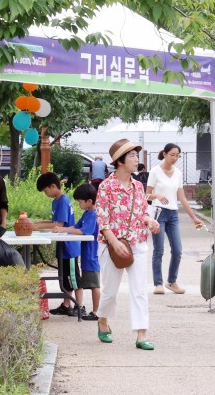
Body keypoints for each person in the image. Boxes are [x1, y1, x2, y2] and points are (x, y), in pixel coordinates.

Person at [95, 139, 161, 350]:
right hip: (112, 246)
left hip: (138, 242)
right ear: (120, 161)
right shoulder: (106, 187)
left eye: (136, 155)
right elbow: (102, 220)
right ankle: (103, 320)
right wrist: (114, 243)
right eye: (131, 156)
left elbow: (142, 212)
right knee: (110, 291)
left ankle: (141, 334)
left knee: (139, 289)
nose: (136, 160)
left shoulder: (138, 186)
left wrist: (150, 221)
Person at [145, 143, 204, 295]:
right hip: (158, 214)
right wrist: (156, 195)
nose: (175, 158)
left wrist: (193, 218)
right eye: (172, 154)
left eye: (177, 155)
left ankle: (172, 282)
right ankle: (158, 284)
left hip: (173, 214)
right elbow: (146, 195)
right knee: (159, 250)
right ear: (164, 154)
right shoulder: (155, 171)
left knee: (177, 250)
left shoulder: (177, 173)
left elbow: (181, 196)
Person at [33, 172, 82, 316]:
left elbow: (59, 224)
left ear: (53, 186)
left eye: (45, 190)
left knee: (73, 279)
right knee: (65, 277)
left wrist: (37, 226)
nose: (45, 193)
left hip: (69, 245)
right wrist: (37, 224)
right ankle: (66, 304)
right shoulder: (56, 200)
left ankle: (79, 306)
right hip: (63, 245)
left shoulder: (63, 201)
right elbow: (54, 223)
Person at [53, 183, 101, 320]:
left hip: (92, 256)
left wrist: (64, 229)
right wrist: (64, 229)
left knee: (94, 285)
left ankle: (96, 311)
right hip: (87, 255)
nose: (79, 204)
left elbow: (82, 231)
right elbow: (76, 226)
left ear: (89, 201)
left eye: (80, 201)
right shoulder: (87, 213)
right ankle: (94, 310)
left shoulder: (94, 214)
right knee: (91, 284)